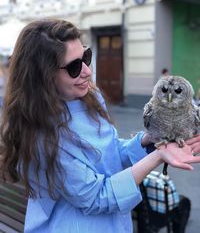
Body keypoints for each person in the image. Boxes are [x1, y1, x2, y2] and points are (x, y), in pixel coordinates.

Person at [0, 19, 200, 233]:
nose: (87, 71)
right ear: (42, 76)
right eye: (74, 66)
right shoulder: (40, 132)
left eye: (86, 57)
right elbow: (97, 197)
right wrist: (158, 157)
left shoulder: (87, 97)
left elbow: (109, 154)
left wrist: (148, 140)